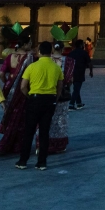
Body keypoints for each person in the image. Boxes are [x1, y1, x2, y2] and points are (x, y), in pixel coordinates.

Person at [15, 41, 64, 170]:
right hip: (50, 100)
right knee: (44, 132)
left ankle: (23, 161)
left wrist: (30, 96)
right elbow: (60, 88)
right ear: (51, 52)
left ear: (39, 52)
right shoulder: (56, 67)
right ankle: (42, 162)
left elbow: (23, 86)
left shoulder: (32, 67)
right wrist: (55, 98)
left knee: (29, 132)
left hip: (35, 99)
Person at [0, 35, 34, 155]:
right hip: (22, 90)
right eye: (30, 43)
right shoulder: (29, 58)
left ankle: (10, 143)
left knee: (11, 116)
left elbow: (1, 73)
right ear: (25, 45)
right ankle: (11, 144)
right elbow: (29, 76)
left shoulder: (10, 56)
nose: (31, 45)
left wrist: (8, 83)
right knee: (20, 118)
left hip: (9, 89)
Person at [47, 41, 74, 153]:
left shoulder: (46, 60)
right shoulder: (68, 61)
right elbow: (69, 80)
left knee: (46, 119)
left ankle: (43, 143)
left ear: (53, 49)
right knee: (61, 120)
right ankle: (59, 145)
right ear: (63, 49)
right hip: (62, 94)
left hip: (47, 92)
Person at [67, 39, 92, 110]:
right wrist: (91, 71)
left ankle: (79, 103)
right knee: (76, 89)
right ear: (81, 45)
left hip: (71, 73)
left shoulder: (71, 53)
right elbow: (89, 63)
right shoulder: (84, 53)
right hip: (80, 72)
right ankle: (71, 104)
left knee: (76, 88)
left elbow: (68, 63)